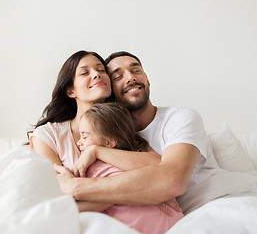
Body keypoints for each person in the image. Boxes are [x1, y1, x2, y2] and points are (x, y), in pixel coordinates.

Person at [54, 51, 223, 209]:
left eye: (136, 70)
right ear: (110, 91)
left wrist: (77, 186)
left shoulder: (181, 118)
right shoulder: (114, 137)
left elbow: (173, 180)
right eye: (118, 76)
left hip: (214, 202)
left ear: (147, 79)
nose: (130, 78)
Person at [29, 50, 165, 212]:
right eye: (85, 72)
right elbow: (57, 196)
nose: (96, 74)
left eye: (101, 70)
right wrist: (129, 192)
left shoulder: (118, 122)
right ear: (70, 91)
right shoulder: (48, 135)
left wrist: (96, 151)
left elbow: (159, 166)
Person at [76, 102, 184, 234]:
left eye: (85, 136)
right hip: (173, 223)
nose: (78, 142)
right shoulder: (92, 162)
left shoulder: (95, 164)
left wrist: (95, 151)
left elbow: (160, 165)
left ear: (109, 142)